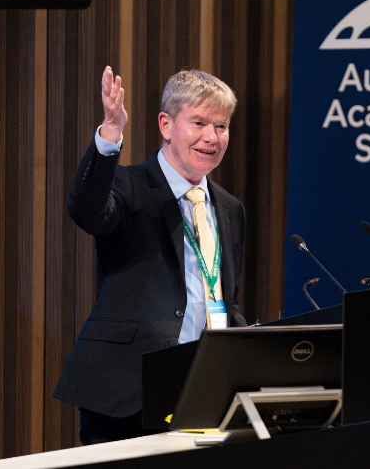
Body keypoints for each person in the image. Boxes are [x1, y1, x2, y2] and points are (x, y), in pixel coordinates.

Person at [52, 66, 248, 444]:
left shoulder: (229, 208)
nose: (212, 137)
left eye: (221, 126)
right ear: (166, 124)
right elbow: (85, 210)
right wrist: (111, 132)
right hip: (128, 393)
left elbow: (224, 296)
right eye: (199, 123)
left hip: (202, 390)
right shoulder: (128, 185)